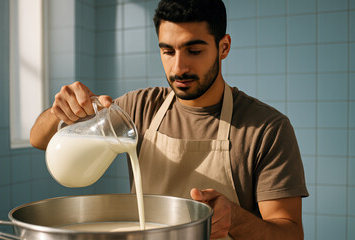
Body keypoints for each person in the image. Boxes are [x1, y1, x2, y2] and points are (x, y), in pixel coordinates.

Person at [30, 0, 308, 239]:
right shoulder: (138, 108)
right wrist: (62, 110)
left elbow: (290, 234)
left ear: (223, 47)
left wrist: (234, 218)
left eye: (194, 51)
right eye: (168, 51)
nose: (178, 68)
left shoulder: (266, 129)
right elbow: (38, 138)